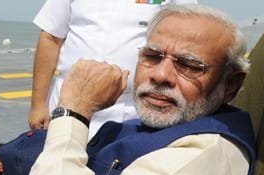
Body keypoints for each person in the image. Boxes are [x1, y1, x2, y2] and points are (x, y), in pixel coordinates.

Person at [7, 4, 255, 175]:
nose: (160, 75)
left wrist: (73, 111)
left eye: (189, 66)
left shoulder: (200, 157)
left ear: (230, 85)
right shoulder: (169, 125)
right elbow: (51, 35)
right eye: (152, 56)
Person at [28, 0, 197, 140]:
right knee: (56, 167)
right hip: (67, 100)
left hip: (132, 109)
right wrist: (38, 104)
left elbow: (187, 41)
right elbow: (51, 37)